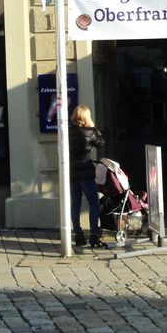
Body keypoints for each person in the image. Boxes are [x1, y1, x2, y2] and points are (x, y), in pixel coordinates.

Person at [68, 104, 106, 249]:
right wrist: (94, 128)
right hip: (86, 172)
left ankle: (78, 235)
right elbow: (101, 144)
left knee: (75, 204)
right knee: (94, 203)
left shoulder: (68, 131)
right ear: (86, 117)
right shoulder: (90, 132)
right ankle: (94, 235)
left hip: (72, 172)